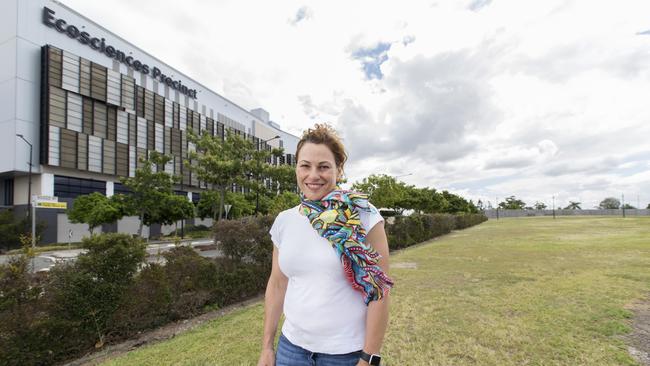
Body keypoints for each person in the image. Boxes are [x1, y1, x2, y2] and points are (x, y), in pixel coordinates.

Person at [257, 124, 393, 366]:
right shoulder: (284, 221)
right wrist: (267, 346)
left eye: (323, 167)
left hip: (345, 354)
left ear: (338, 170)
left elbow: (379, 291)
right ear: (296, 168)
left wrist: (369, 358)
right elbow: (278, 283)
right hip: (291, 349)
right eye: (305, 166)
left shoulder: (363, 216)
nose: (313, 175)